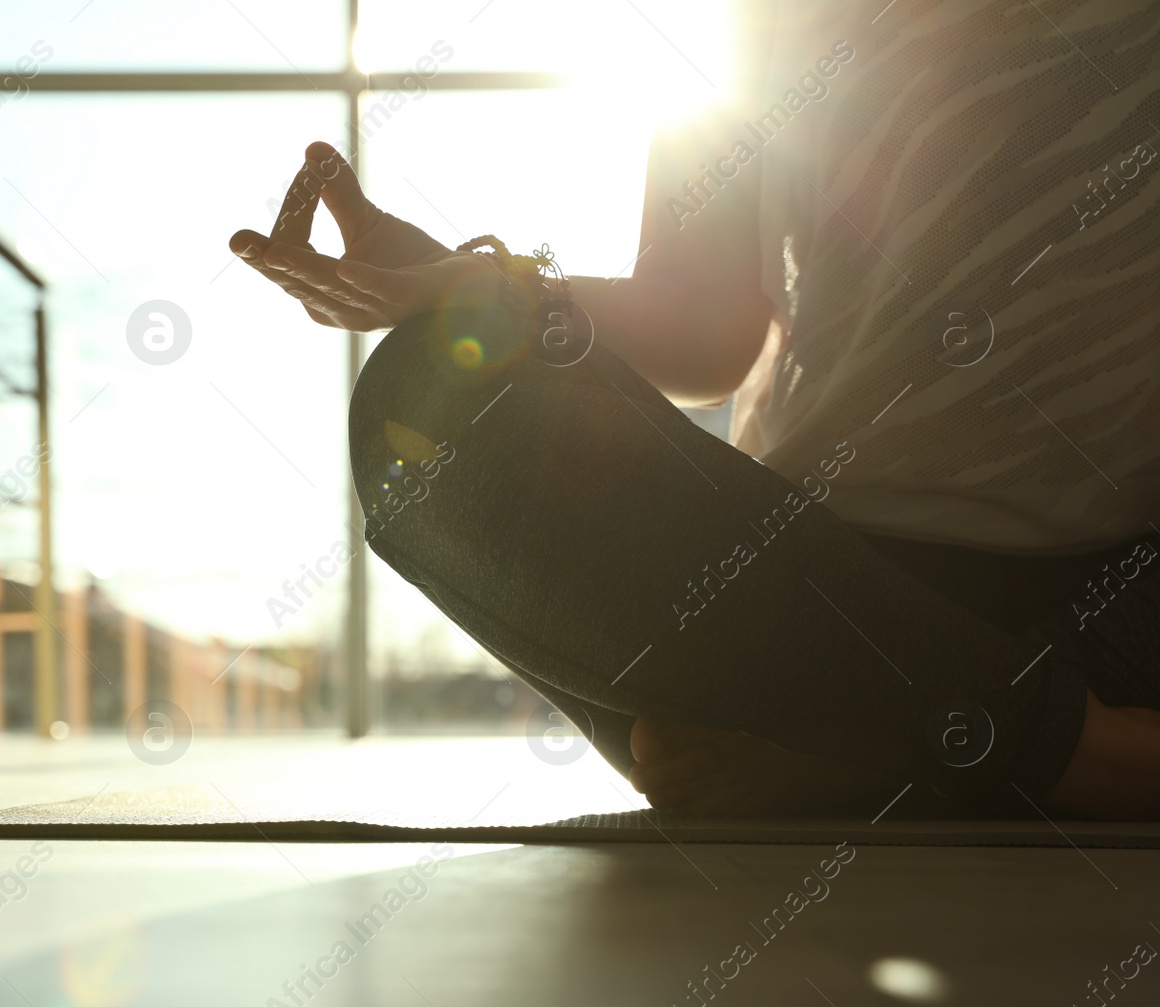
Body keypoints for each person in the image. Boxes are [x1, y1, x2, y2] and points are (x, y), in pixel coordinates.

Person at [229, 2, 1160, 819]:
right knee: (425, 399)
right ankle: (1057, 749)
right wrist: (476, 291)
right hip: (796, 589)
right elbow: (702, 332)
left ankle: (876, 749)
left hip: (1108, 598)